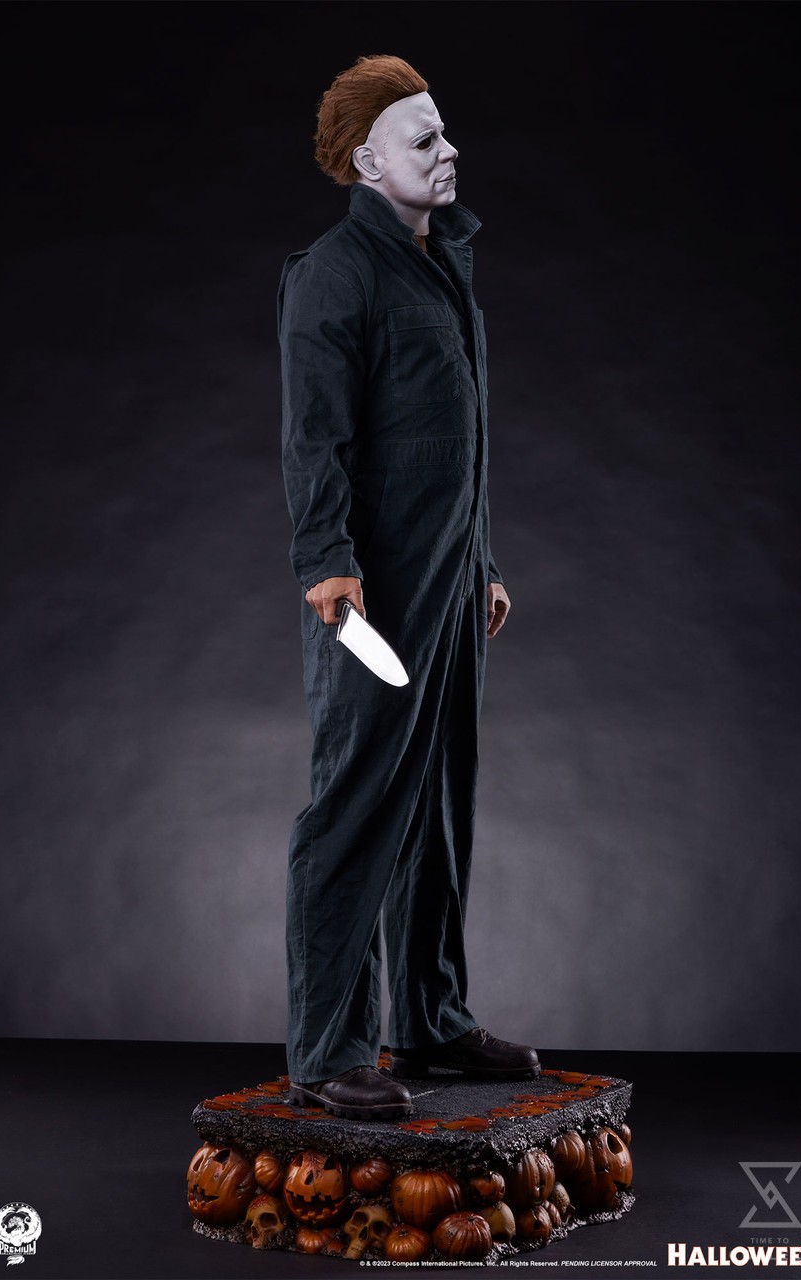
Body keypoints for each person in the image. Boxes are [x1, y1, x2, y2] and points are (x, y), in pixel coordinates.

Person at [278, 54, 539, 1121]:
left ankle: (430, 1019)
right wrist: (325, 562)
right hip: (371, 590)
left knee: (438, 799)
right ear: (365, 161)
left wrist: (481, 561)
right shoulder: (335, 273)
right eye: (422, 137)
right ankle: (327, 1049)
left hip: (448, 578)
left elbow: (451, 435)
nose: (447, 150)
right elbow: (315, 436)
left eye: (444, 130)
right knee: (357, 804)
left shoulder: (441, 264)